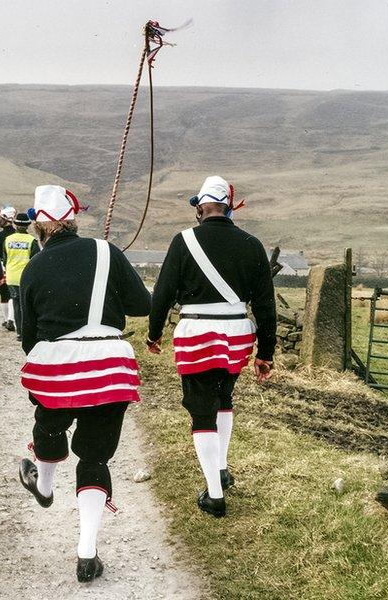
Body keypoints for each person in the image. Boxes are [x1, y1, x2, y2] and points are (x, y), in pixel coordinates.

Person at [15, 185, 151, 583]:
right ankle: (87, 553)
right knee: (94, 457)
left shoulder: (34, 268)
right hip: (111, 364)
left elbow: (28, 340)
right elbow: (141, 305)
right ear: (72, 220)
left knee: (50, 423)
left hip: (59, 365)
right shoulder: (108, 252)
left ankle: (43, 483)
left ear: (40, 227)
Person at [146, 175, 276, 518]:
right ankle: (220, 468)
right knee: (224, 398)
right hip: (236, 333)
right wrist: (266, 352)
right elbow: (265, 304)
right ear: (230, 207)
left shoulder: (183, 241)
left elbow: (162, 293)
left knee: (200, 407)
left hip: (197, 332)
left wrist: (154, 333)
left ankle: (215, 495)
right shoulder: (252, 244)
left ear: (200, 207)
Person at [3, 211, 39, 340]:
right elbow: (36, 261)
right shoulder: (32, 241)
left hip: (12, 277)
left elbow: (5, 259)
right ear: (27, 226)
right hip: (26, 278)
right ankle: (28, 331)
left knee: (17, 305)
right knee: (28, 306)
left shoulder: (8, 240)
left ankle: (19, 333)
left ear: (16, 225)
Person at [0, 206, 18, 331]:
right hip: (16, 267)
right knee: (13, 294)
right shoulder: (18, 235)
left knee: (4, 294)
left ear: (6, 219)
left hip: (1, 267)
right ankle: (11, 319)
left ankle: (6, 319)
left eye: (0, 218)